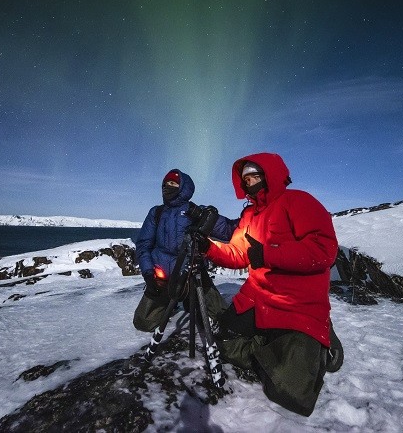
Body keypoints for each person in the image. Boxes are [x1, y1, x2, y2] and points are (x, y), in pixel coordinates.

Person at [194, 152, 339, 416]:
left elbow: (323, 250)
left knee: (289, 393)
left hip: (296, 302)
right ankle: (273, 345)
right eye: (246, 179)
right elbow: (239, 254)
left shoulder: (298, 201)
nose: (250, 183)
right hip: (257, 297)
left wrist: (269, 254)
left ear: (270, 175)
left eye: (255, 176)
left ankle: (316, 338)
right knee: (222, 342)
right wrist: (209, 248)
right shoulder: (249, 215)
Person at [133, 168, 234, 333]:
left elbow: (228, 231)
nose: (167, 186)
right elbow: (144, 244)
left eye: (173, 183)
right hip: (162, 278)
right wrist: (148, 274)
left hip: (193, 275)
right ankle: (171, 303)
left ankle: (190, 299)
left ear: (183, 188)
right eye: (165, 183)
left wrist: (252, 217)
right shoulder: (156, 213)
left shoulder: (196, 211)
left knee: (219, 318)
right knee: (144, 322)